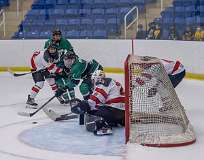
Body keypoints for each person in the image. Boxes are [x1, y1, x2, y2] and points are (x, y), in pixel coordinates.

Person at [69, 70, 125, 136]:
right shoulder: (112, 82)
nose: (93, 82)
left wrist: (82, 106)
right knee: (95, 107)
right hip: (122, 113)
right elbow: (102, 101)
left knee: (90, 111)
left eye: (93, 80)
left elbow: (95, 100)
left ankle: (103, 127)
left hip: (114, 111)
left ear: (95, 79)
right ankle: (116, 122)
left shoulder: (103, 82)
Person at [26, 43, 62, 108]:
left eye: (53, 49)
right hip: (36, 67)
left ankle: (58, 95)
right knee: (40, 83)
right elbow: (51, 68)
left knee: (52, 80)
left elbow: (53, 65)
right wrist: (61, 71)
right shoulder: (46, 56)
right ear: (48, 49)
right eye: (50, 49)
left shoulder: (56, 54)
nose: (52, 50)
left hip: (44, 66)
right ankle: (30, 99)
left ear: (56, 49)